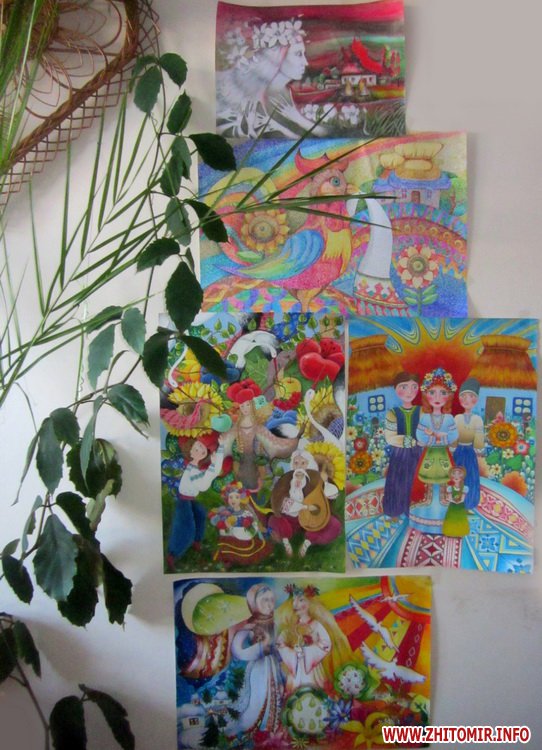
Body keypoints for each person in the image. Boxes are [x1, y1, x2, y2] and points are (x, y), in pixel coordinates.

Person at [216, 18, 328, 138]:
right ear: (277, 56)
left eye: (304, 54)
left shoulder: (283, 94)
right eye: (298, 54)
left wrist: (297, 118)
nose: (305, 62)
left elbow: (322, 136)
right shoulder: (251, 103)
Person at [221, 379, 299, 492]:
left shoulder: (242, 451)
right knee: (287, 418)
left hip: (268, 420)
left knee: (283, 417)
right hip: (274, 425)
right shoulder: (264, 464)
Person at [276, 584, 353, 694]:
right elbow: (280, 643)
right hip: (296, 668)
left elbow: (326, 643)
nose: (296, 604)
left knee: (315, 691)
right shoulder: (292, 627)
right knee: (294, 692)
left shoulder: (316, 625)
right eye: (294, 600)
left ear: (309, 603)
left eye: (301, 600)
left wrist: (307, 651)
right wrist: (292, 652)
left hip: (313, 668)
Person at [228, 584, 284, 736]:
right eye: (265, 600)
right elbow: (237, 651)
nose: (269, 604)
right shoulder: (250, 625)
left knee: (274, 693)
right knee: (258, 696)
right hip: (258, 668)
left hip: (273, 665)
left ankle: (269, 728)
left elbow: (278, 645)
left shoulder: (274, 624)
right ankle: (251, 727)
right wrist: (259, 648)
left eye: (272, 600)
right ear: (253, 603)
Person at [409, 368, 459, 535]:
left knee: (446, 479)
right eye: (432, 392)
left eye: (442, 393)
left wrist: (439, 438)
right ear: (426, 395)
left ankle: (444, 511)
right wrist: (436, 438)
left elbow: (453, 435)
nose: (437, 398)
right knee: (427, 480)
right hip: (429, 454)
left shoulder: (449, 418)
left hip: (444, 454)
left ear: (449, 396)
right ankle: (426, 511)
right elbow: (420, 435)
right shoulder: (425, 418)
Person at [166, 431, 225, 571]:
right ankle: (172, 553)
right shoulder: (193, 470)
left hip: (190, 498)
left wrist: (221, 448)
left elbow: (213, 472)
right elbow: (203, 485)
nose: (199, 452)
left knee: (200, 514)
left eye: (203, 452)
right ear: (190, 449)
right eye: (197, 448)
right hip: (183, 500)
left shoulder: (195, 468)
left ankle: (196, 541)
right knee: (186, 526)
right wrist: (213, 466)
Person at [268, 449, 341, 558]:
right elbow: (279, 498)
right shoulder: (286, 478)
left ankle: (307, 543)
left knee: (334, 524)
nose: (299, 466)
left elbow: (331, 495)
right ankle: (286, 542)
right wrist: (304, 506)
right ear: (292, 464)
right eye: (296, 463)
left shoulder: (314, 478)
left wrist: (325, 482)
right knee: (275, 521)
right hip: (290, 517)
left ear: (309, 464)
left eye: (303, 463)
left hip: (311, 518)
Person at [382, 372, 422, 517]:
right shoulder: (392, 413)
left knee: (416, 481)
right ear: (395, 389)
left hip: (418, 453)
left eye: (413, 387)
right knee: (398, 481)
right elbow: (390, 437)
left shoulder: (421, 411)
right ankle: (396, 509)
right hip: (400, 454)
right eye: (403, 387)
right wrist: (408, 441)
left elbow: (426, 430)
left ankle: (415, 510)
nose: (409, 392)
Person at [208, 482, 272, 567]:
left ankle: (238, 560)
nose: (233, 500)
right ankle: (228, 560)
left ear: (240, 499)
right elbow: (214, 520)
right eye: (231, 497)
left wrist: (246, 524)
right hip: (228, 537)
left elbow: (252, 523)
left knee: (245, 549)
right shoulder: (224, 511)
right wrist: (222, 522)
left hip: (242, 538)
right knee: (226, 546)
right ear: (227, 499)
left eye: (236, 497)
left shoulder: (245, 513)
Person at [452, 378, 484, 510]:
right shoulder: (457, 418)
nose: (467, 400)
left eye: (471, 396)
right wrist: (452, 447)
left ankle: (469, 503)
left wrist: (478, 448)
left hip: (470, 452)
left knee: (470, 476)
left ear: (476, 399)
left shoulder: (477, 419)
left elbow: (479, 437)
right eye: (463, 396)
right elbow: (454, 435)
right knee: (456, 475)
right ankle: (455, 500)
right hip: (458, 451)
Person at [443, 466, 470, 537]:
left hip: (460, 507)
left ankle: (459, 533)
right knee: (451, 518)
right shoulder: (450, 488)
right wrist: (454, 501)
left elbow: (463, 499)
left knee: (460, 519)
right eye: (454, 474)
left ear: (461, 477)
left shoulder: (464, 488)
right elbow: (449, 498)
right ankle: (450, 533)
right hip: (452, 506)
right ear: (452, 477)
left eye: (458, 475)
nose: (456, 476)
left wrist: (458, 502)